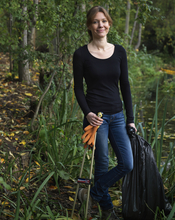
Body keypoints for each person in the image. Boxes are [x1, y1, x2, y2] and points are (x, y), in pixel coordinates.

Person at [72, 5, 136, 220]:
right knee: (101, 164)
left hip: (117, 116)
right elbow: (78, 88)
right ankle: (108, 211)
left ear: (109, 23)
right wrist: (87, 113)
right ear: (90, 26)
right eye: (96, 21)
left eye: (104, 21)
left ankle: (91, 193)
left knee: (127, 164)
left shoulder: (119, 51)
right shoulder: (81, 54)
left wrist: (131, 119)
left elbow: (125, 85)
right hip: (95, 118)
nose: (101, 25)